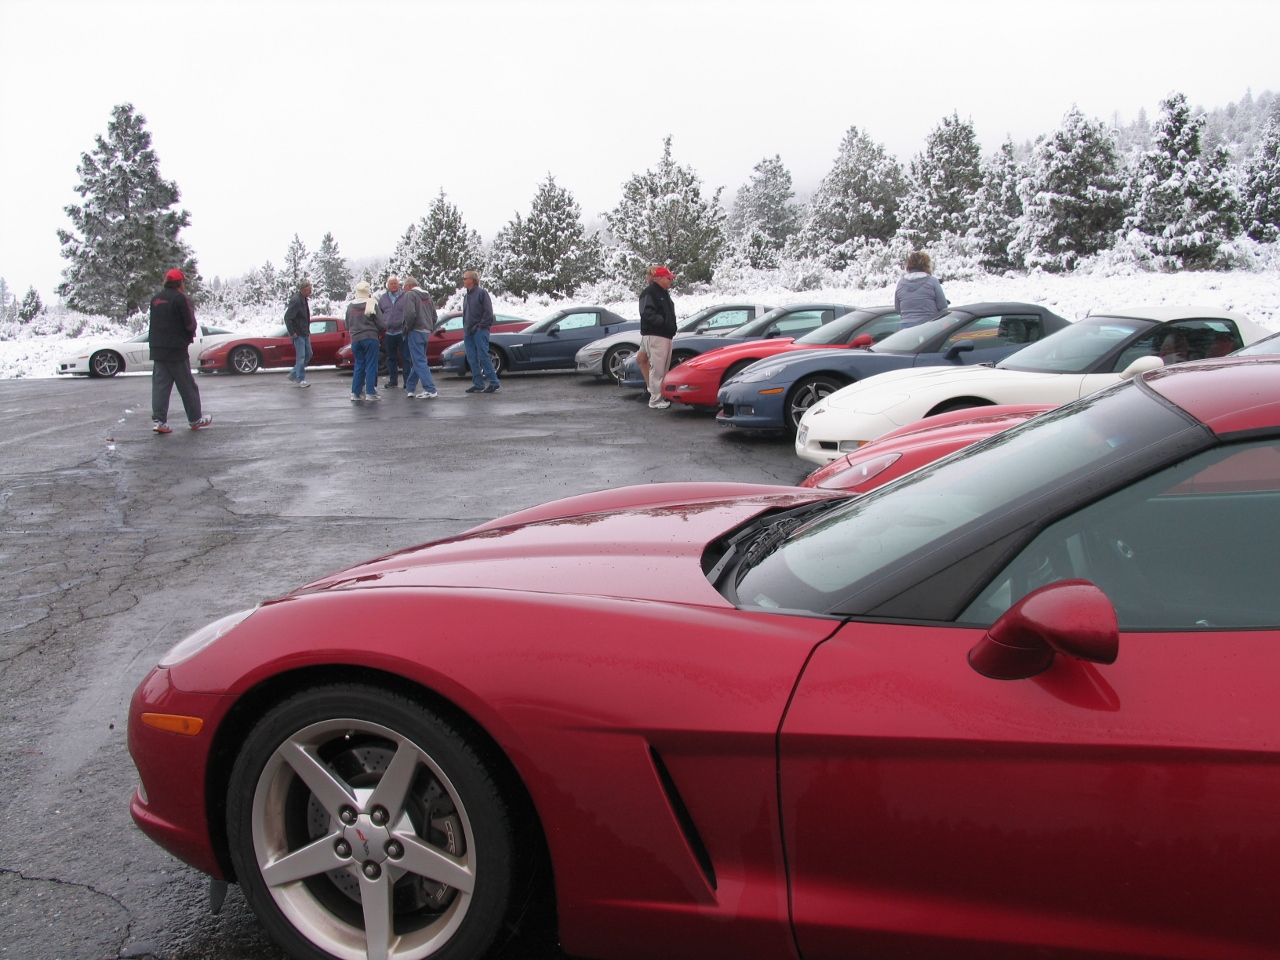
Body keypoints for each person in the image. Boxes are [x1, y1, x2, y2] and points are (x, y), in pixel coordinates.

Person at [148, 268, 212, 433]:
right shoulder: (180, 298)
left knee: (160, 386)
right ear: (180, 283)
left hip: (157, 349)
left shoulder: (156, 299)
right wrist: (187, 337)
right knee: (187, 386)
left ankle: (159, 421)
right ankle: (195, 419)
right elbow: (190, 323)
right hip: (176, 349)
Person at [638, 265, 677, 409]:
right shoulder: (650, 292)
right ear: (659, 278)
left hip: (664, 334)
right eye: (668, 278)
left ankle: (658, 395)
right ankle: (655, 399)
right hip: (657, 335)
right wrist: (663, 322)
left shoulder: (662, 292)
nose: (670, 281)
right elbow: (647, 313)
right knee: (658, 369)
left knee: (661, 368)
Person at [346, 280, 386, 401]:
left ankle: (356, 392)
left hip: (355, 339)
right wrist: (378, 331)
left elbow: (347, 324)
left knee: (359, 365)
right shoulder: (371, 303)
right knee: (371, 365)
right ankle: (370, 392)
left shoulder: (350, 306)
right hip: (370, 337)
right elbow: (381, 323)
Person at [461, 270, 499, 393]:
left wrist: (481, 326)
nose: (463, 280)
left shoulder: (482, 293)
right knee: (471, 358)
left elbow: (489, 312)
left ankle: (493, 382)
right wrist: (465, 326)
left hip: (479, 330)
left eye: (465, 278)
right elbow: (465, 313)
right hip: (468, 331)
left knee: (483, 356)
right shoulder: (466, 296)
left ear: (472, 280)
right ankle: (478, 383)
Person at [401, 277, 438, 399]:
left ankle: (430, 389)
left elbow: (409, 314)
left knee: (419, 361)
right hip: (426, 331)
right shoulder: (427, 296)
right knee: (418, 360)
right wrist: (430, 326)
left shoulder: (410, 295)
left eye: (404, 288)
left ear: (408, 286)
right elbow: (434, 315)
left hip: (415, 330)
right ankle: (410, 388)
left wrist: (408, 327)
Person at [894, 252, 948, 328]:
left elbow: (897, 309)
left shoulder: (901, 283)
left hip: (905, 327)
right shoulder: (931, 281)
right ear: (926, 264)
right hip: (928, 325)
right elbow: (942, 306)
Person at [378, 275, 408, 389]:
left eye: (395, 283)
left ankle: (407, 381)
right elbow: (380, 313)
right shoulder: (383, 298)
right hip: (389, 333)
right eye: (391, 283)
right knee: (391, 358)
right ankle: (393, 381)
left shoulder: (405, 296)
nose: (393, 285)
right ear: (388, 286)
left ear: (399, 284)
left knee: (405, 357)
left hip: (402, 332)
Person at [284, 280, 313, 386]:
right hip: (298, 333)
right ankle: (300, 379)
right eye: (309, 290)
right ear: (304, 290)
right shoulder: (296, 301)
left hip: (304, 332)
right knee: (301, 356)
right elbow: (288, 318)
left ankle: (293, 373)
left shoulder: (304, 300)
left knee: (309, 354)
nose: (311, 292)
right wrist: (292, 332)